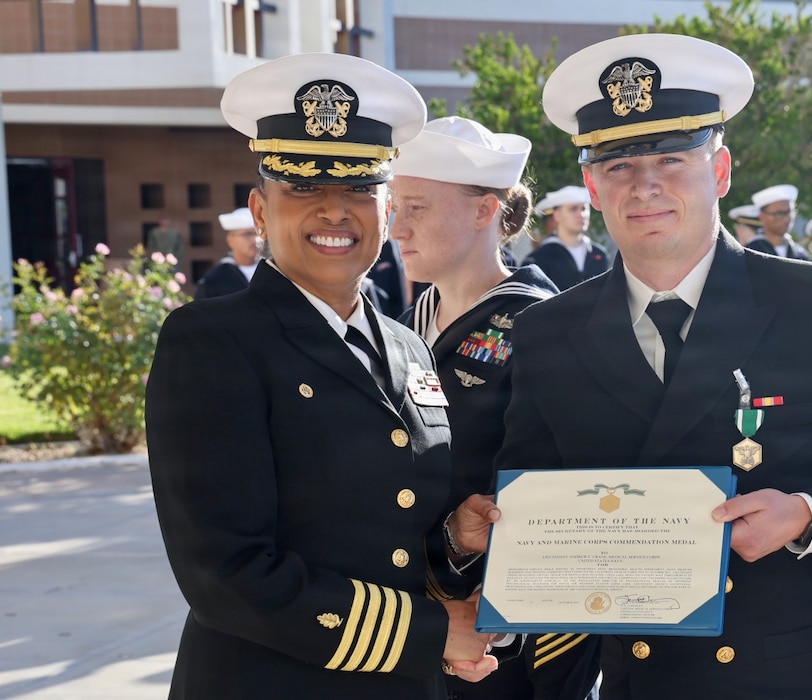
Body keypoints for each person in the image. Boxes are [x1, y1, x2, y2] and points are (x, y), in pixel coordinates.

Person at [495, 32, 812, 700]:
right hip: (640, 681)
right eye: (616, 167)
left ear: (719, 171)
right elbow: (531, 499)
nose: (644, 186)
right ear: (591, 183)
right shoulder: (547, 331)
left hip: (790, 675)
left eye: (671, 159)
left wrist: (809, 514)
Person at [145, 53, 502, 699]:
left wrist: (452, 539)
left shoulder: (406, 346)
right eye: (304, 187)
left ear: (385, 209)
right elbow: (223, 573)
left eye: (359, 188)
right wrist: (425, 633)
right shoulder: (213, 341)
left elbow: (390, 535)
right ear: (259, 210)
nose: (335, 210)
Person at [389, 115, 560, 700]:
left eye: (417, 207)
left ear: (486, 211)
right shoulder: (401, 327)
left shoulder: (542, 325)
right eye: (393, 205)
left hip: (499, 636)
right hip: (413, 621)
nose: (395, 227)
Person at [522, 185, 610, 290]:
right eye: (573, 209)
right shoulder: (539, 258)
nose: (581, 214)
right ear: (557, 215)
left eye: (584, 208)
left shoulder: (599, 254)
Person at [194, 207, 263, 298]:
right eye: (247, 234)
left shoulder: (273, 272)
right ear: (230, 240)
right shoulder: (215, 279)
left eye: (258, 233)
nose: (255, 240)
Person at [746, 184, 809, 259]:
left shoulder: (800, 254)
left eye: (789, 212)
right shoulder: (750, 252)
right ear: (762, 216)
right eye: (778, 214)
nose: (786, 219)